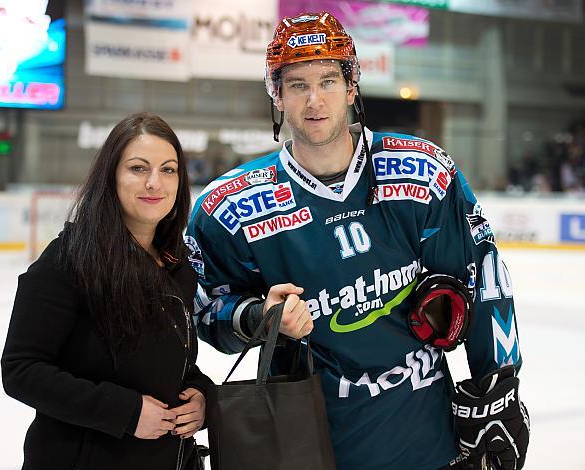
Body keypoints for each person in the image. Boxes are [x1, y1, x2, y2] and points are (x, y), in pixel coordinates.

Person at [188, 12, 529, 470]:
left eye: (328, 80)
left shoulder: (421, 172)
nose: (314, 99)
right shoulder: (229, 207)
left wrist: (497, 389)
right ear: (278, 96)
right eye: (297, 84)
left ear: (352, 88)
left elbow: (481, 271)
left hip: (426, 442)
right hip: (308, 447)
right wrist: (256, 316)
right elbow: (206, 311)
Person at [2, 112, 212, 470]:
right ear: (111, 175)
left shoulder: (177, 267)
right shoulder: (70, 258)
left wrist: (202, 395)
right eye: (137, 168)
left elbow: (165, 363)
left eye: (168, 169)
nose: (154, 183)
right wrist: (126, 413)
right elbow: (21, 370)